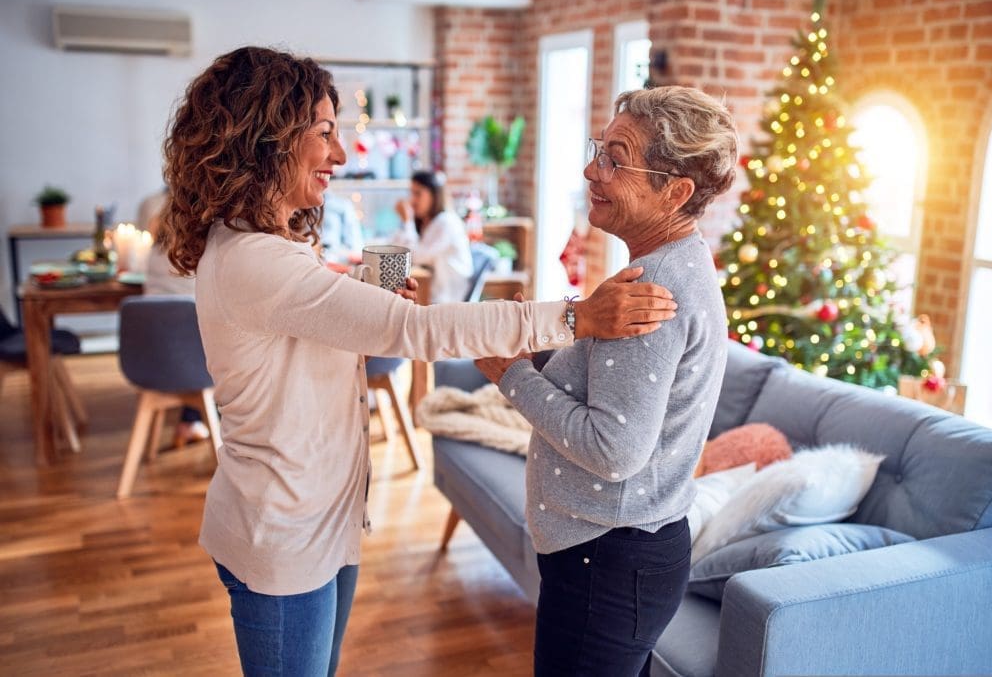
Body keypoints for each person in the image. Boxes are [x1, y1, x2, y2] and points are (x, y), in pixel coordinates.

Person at [160, 46, 678, 677]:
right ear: (266, 138)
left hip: (318, 523)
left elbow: (310, 324)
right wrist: (576, 317)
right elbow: (415, 328)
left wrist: (359, 291)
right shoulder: (256, 261)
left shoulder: (267, 246)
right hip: (283, 534)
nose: (341, 154)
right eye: (325, 133)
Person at [476, 86, 739, 676]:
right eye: (600, 148)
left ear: (675, 192)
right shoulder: (667, 266)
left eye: (616, 159)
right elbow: (611, 393)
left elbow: (614, 449)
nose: (593, 169)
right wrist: (543, 355)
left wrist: (511, 373)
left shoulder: (655, 292)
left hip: (608, 561)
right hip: (618, 555)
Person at [138, 188, 208, 447]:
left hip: (149, 360)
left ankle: (193, 421)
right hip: (192, 366)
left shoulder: (153, 255)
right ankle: (193, 421)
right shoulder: (203, 258)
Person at [391, 170, 473, 303]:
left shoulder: (446, 222)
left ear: (434, 195)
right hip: (433, 293)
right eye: (411, 193)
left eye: (418, 194)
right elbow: (396, 247)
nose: (412, 200)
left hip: (447, 298)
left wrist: (407, 221)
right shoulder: (428, 223)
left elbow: (416, 256)